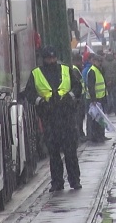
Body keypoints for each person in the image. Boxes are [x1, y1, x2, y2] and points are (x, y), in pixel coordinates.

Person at [24, 46, 83, 192]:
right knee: (54, 153)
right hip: (49, 118)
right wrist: (41, 102)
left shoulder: (66, 69)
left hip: (66, 116)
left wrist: (69, 98)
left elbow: (78, 87)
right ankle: (57, 182)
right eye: (49, 58)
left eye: (53, 58)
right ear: (43, 59)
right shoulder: (36, 73)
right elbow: (29, 93)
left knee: (70, 152)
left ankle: (74, 180)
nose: (51, 60)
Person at [86, 54, 111, 142]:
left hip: (102, 97)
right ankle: (96, 136)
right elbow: (91, 86)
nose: (100, 63)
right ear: (94, 61)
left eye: (100, 61)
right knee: (96, 119)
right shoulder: (92, 71)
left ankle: (101, 135)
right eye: (98, 61)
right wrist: (93, 99)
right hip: (96, 99)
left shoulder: (99, 70)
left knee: (101, 118)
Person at [71, 53, 87, 143]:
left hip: (80, 98)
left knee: (80, 117)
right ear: (76, 61)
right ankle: (79, 135)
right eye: (81, 61)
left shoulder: (77, 70)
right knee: (78, 118)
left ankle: (81, 133)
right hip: (78, 99)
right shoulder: (75, 70)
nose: (82, 63)